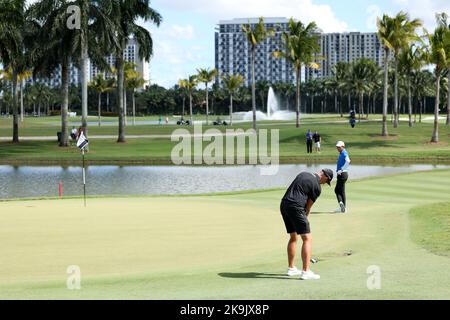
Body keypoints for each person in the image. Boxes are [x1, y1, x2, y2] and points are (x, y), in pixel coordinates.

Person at [280, 169, 334, 280]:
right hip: (296, 207)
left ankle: (291, 268)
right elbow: (308, 207)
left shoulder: (303, 173)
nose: (324, 184)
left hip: (284, 204)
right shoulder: (317, 187)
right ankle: (306, 272)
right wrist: (304, 218)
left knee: (293, 237)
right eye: (326, 181)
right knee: (307, 238)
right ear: (325, 176)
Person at [334, 141, 351, 213]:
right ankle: (343, 207)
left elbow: (348, 161)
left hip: (342, 174)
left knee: (337, 190)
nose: (338, 148)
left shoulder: (344, 153)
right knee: (341, 191)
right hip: (343, 174)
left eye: (339, 147)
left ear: (343, 146)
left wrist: (341, 169)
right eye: (337, 147)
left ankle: (341, 205)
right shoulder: (342, 153)